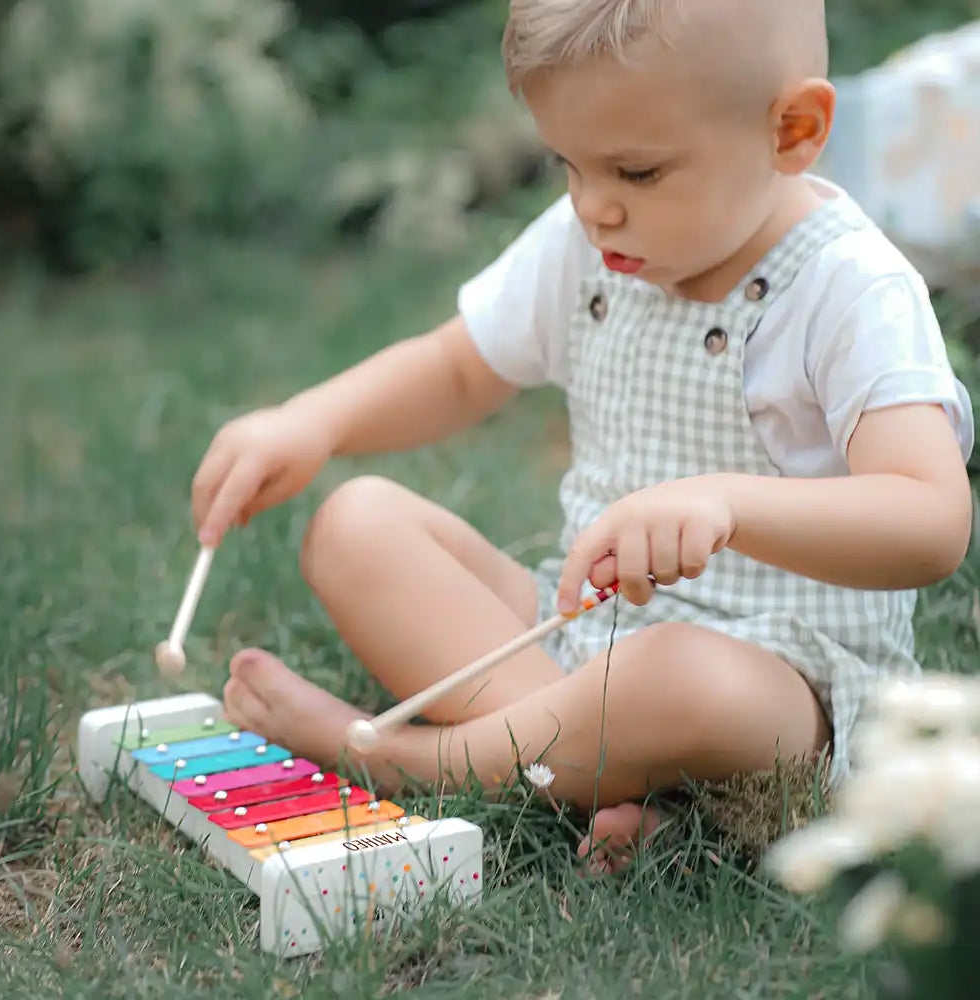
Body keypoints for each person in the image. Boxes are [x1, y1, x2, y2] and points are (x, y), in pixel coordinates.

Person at [189, 0, 974, 871]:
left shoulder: (850, 290)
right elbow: (458, 368)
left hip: (782, 687)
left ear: (791, 130)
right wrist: (312, 422)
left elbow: (931, 521)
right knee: (356, 525)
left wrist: (728, 503)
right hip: (580, 643)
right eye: (569, 163)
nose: (594, 207)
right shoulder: (589, 244)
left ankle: (409, 761)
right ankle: (619, 785)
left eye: (636, 172)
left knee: (678, 676)